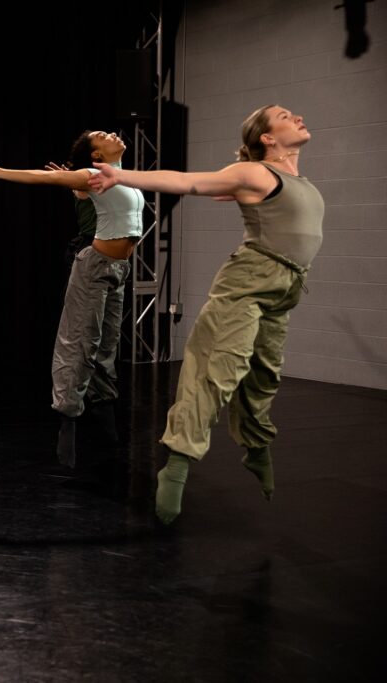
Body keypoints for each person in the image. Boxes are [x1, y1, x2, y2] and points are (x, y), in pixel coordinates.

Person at [88, 105, 323, 524]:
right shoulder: (257, 173)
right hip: (249, 281)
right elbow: (187, 181)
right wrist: (121, 175)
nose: (298, 117)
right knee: (216, 369)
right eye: (286, 116)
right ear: (267, 137)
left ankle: (255, 448)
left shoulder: (294, 180)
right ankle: (177, 465)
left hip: (285, 289)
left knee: (264, 374)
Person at [0, 131, 144, 467]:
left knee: (107, 344)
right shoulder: (93, 175)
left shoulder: (125, 178)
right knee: (79, 341)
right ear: (96, 153)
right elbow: (44, 177)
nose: (112, 134)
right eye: (102, 135)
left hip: (119, 270)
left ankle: (105, 413)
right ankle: (67, 419)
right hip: (94, 266)